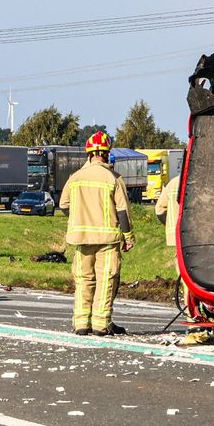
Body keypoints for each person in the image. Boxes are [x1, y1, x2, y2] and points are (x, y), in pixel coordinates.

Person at [60, 130, 134, 336]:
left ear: (88, 153)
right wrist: (128, 237)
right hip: (108, 240)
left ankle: (82, 323)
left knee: (84, 279)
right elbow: (122, 212)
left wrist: (79, 217)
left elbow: (64, 204)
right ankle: (102, 324)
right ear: (107, 152)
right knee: (106, 279)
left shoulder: (75, 178)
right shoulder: (113, 178)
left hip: (81, 239)